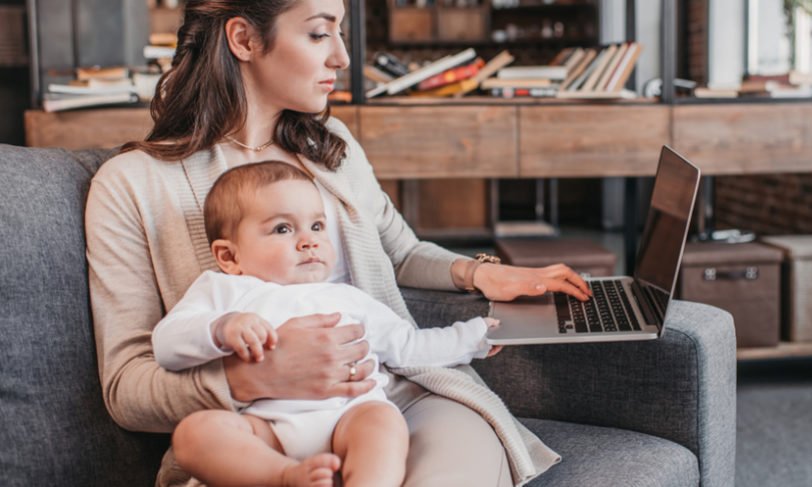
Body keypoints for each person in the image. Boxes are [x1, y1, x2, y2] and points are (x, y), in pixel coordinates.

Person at [84, 1, 590, 486]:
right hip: (260, 428)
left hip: (393, 401)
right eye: (319, 32)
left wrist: (483, 274)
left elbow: (404, 253)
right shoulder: (133, 184)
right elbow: (126, 388)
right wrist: (255, 378)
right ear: (243, 38)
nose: (342, 57)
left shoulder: (331, 147)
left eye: (340, 32)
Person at [153, 160, 501, 487]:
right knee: (194, 434)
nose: (309, 240)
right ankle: (286, 476)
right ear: (229, 257)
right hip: (267, 426)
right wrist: (221, 328)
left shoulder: (348, 298)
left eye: (317, 225)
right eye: (282, 228)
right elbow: (166, 344)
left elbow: (410, 347)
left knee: (384, 423)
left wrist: (475, 336)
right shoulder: (226, 290)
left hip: (349, 416)